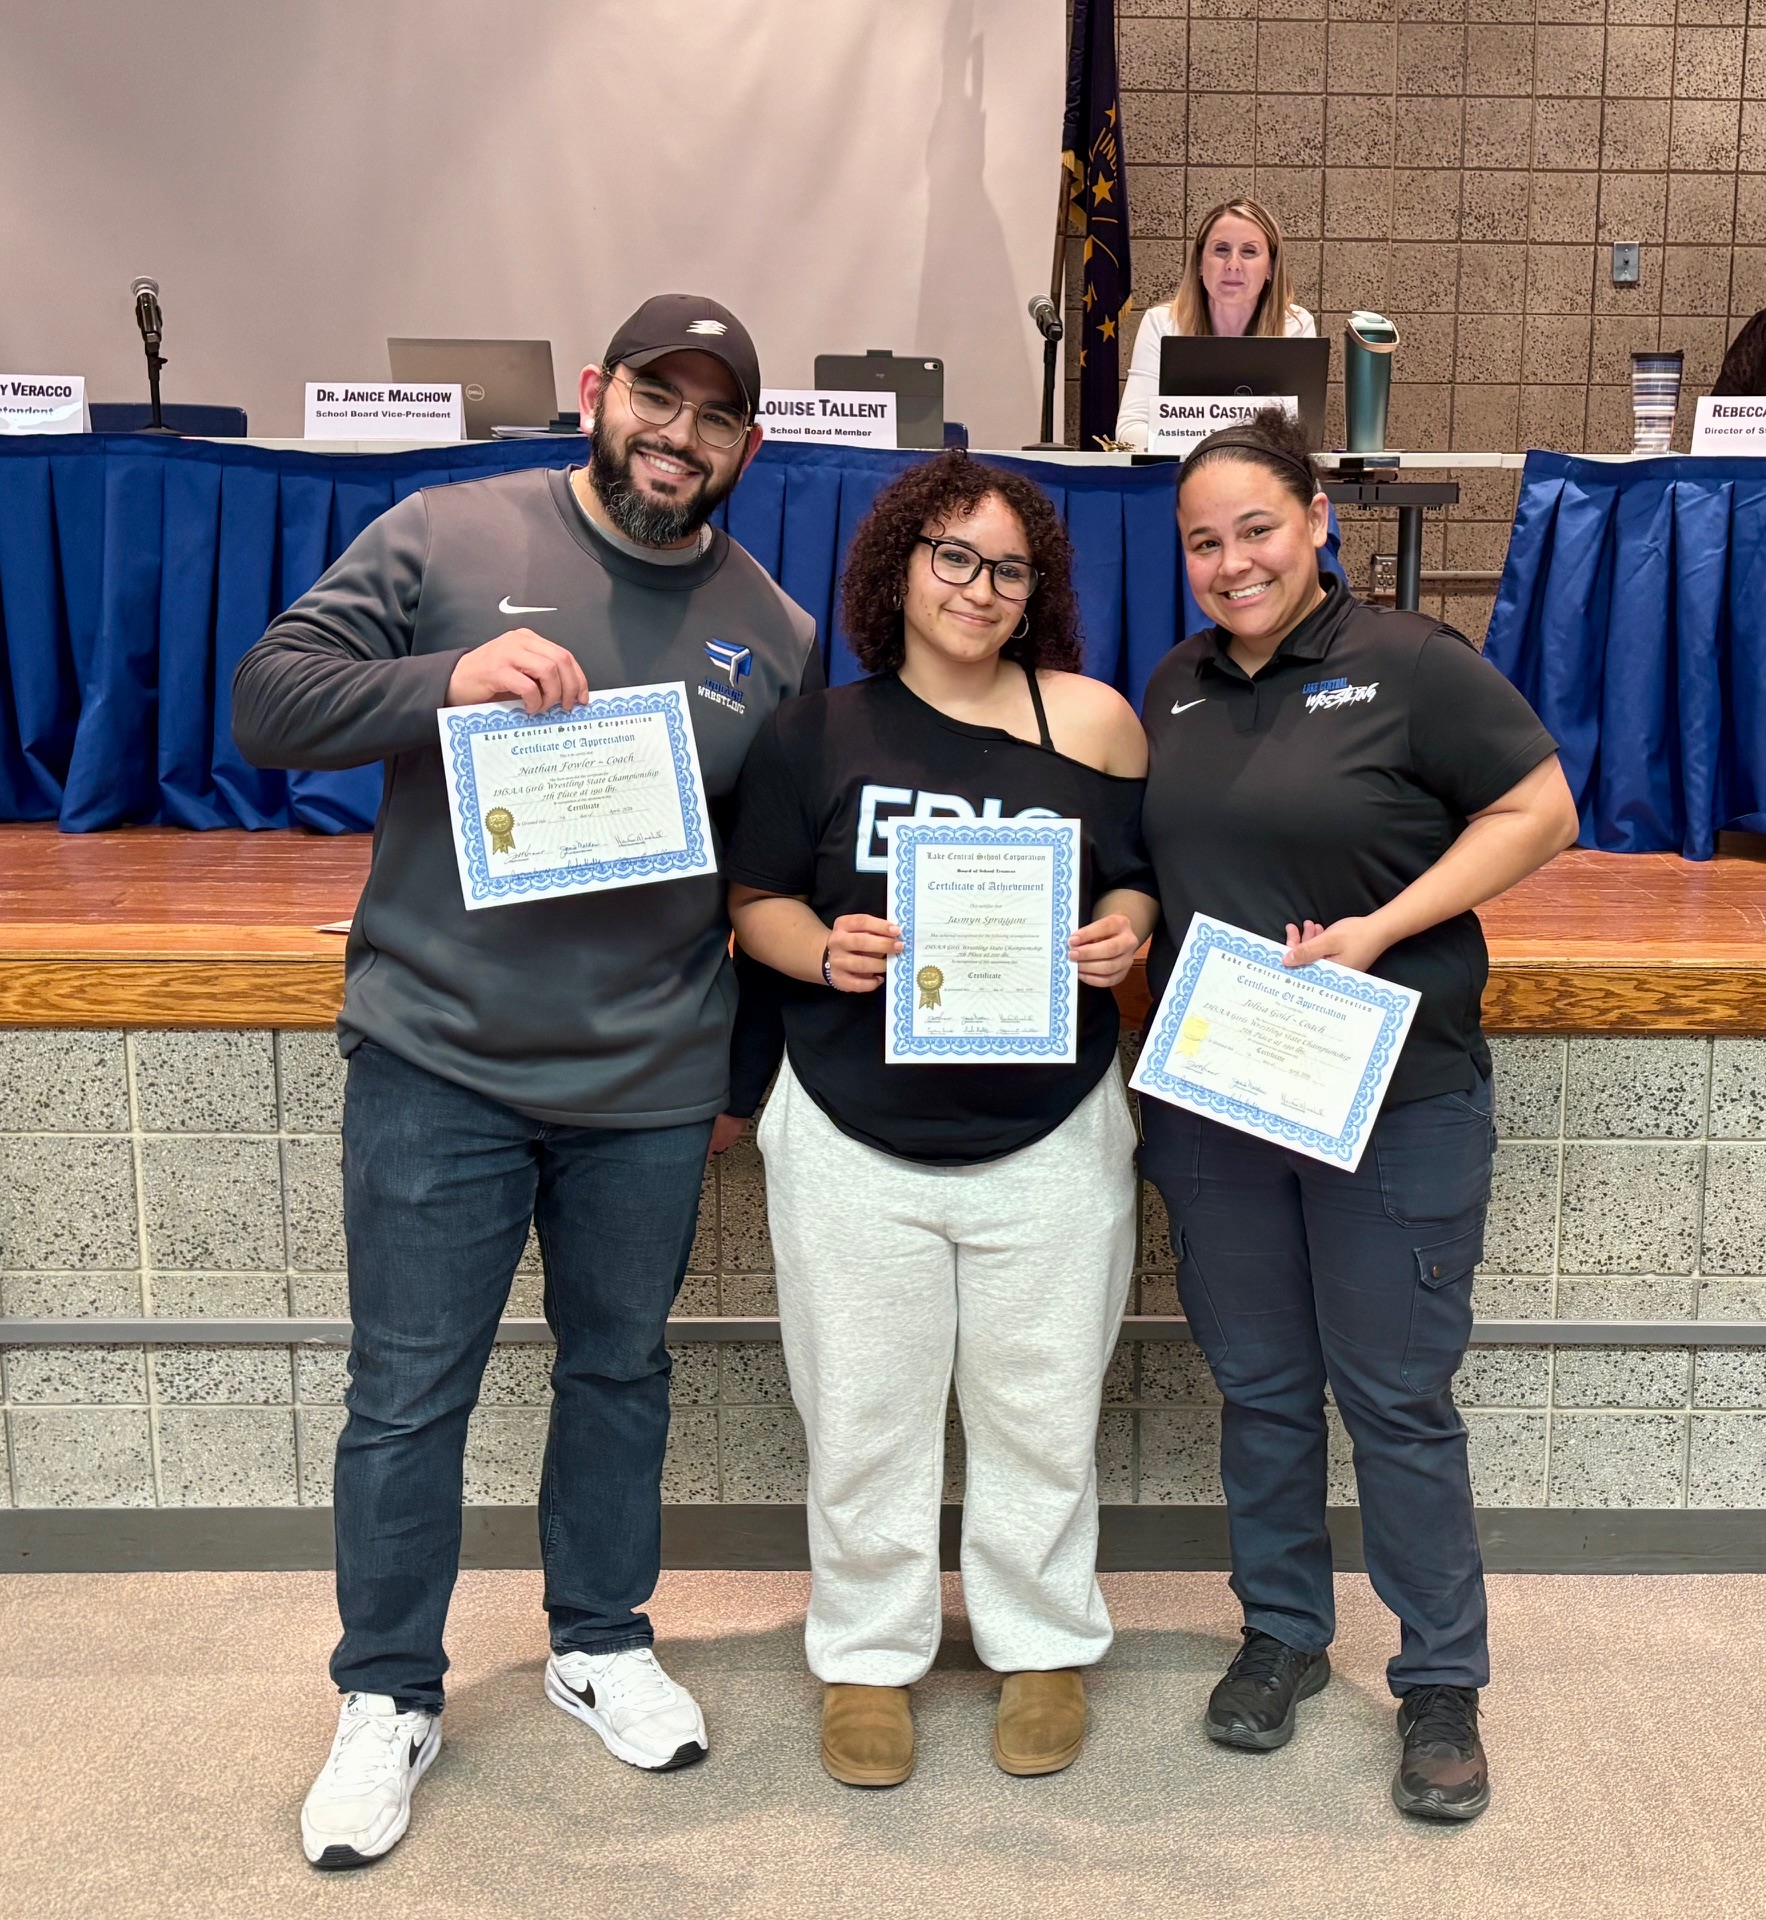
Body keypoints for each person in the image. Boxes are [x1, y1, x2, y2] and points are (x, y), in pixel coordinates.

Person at [232, 294, 823, 1869]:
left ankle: (600, 1640)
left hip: (642, 1080)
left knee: (620, 1373)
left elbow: (764, 874)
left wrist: (735, 1076)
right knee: (408, 1392)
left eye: (712, 417)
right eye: (655, 396)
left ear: (745, 448)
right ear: (594, 392)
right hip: (440, 1060)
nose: (676, 435)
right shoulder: (443, 530)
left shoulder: (773, 634)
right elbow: (269, 700)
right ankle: (384, 1694)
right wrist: (445, 679)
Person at [1137, 409, 1578, 1823]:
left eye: (1254, 529)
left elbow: (1540, 810)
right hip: (1225, 1097)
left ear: (1316, 520)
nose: (1230, 562)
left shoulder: (1409, 665)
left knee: (1393, 1397)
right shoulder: (1172, 689)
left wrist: (1381, 927)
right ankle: (1281, 1634)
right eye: (1203, 541)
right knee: (1262, 1387)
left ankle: (1439, 1681)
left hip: (1395, 1094)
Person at [723, 451, 1159, 1787]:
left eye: (1007, 566)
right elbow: (756, 905)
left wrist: (1118, 938)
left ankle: (1038, 1645)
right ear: (897, 567)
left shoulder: (1091, 722)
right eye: (951, 556)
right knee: (864, 1412)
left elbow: (1138, 886)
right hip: (852, 1130)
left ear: (1038, 589)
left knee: (1040, 1410)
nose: (978, 587)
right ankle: (865, 1659)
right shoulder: (815, 733)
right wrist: (824, 953)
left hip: (1052, 1128)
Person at [1114, 197, 1317, 451]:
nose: (1233, 265)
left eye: (1249, 251)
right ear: (1199, 263)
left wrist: (1192, 436)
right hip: (1180, 478)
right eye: (1221, 249)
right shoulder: (1162, 323)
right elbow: (1129, 431)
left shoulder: (1296, 325)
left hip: (1262, 482)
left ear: (1271, 269)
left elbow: (1300, 438)